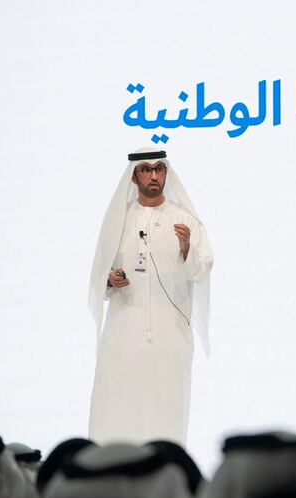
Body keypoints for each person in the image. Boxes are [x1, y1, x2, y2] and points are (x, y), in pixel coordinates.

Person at [87, 147, 213, 446]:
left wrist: (186, 249)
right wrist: (111, 278)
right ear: (134, 177)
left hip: (169, 334)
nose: (154, 175)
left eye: (159, 169)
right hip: (123, 331)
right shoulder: (119, 218)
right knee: (117, 406)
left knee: (165, 406)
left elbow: (203, 268)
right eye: (147, 169)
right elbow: (99, 271)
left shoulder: (185, 219)